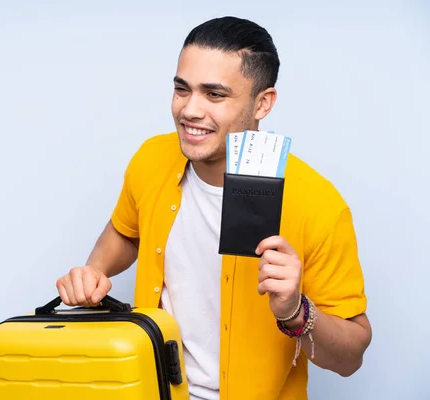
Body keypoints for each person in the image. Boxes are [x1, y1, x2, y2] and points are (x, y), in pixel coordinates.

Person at [55, 16, 372, 400]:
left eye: (214, 95)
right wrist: (93, 272)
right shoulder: (151, 158)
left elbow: (351, 358)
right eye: (181, 89)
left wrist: (295, 312)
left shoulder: (319, 205)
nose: (190, 109)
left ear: (263, 103)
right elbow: (125, 231)